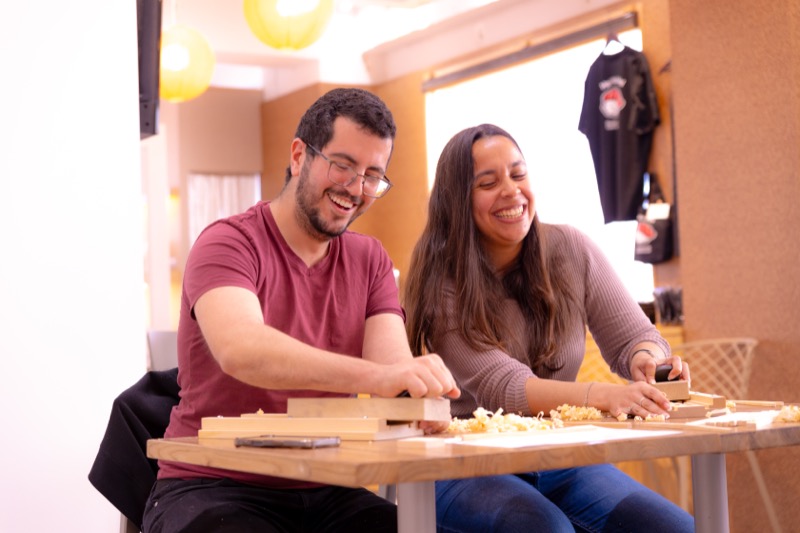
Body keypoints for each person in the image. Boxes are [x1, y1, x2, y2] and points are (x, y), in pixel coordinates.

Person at [143, 88, 460, 533]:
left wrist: (417, 393)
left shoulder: (369, 259)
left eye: (372, 175)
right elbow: (242, 350)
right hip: (212, 482)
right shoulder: (228, 242)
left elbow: (392, 371)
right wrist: (380, 379)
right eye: (343, 165)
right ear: (299, 155)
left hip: (328, 484)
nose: (356, 188)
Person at [403, 123, 694, 532]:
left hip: (555, 458)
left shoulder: (571, 248)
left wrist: (647, 360)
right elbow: (504, 387)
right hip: (462, 462)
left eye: (518, 174)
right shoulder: (441, 280)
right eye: (488, 183)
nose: (511, 190)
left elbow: (636, 336)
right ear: (458, 202)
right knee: (544, 528)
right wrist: (605, 395)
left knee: (674, 528)